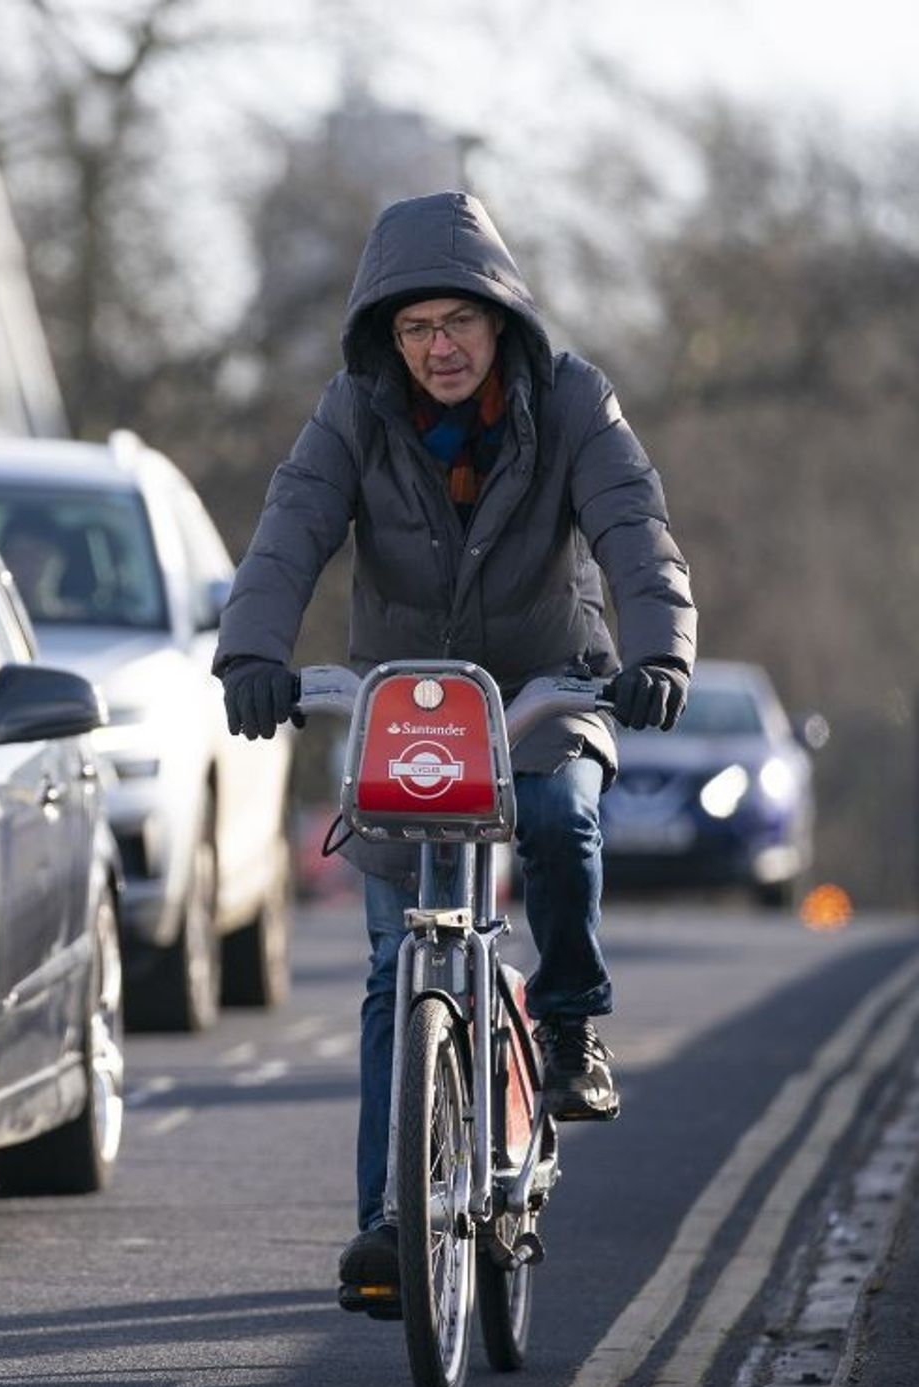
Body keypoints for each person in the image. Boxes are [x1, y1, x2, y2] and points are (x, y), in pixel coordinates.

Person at [212, 192, 697, 1299]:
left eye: (456, 324)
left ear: (499, 320)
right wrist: (251, 653)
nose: (437, 348)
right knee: (395, 965)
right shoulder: (351, 413)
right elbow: (290, 527)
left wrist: (656, 650)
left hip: (544, 686)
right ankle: (388, 1225)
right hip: (408, 710)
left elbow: (632, 525)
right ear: (387, 339)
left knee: (563, 820)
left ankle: (569, 1022)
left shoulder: (572, 400)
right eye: (413, 329)